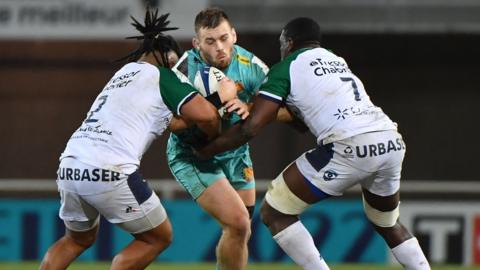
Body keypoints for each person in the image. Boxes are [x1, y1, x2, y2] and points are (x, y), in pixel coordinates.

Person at [197, 17, 431, 270]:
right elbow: (301, 121)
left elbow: (252, 127)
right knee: (387, 222)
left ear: (288, 43)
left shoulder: (286, 66)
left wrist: (207, 150)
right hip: (390, 140)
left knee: (274, 211)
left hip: (350, 145)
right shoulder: (335, 58)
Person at [39, 8, 237, 270]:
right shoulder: (163, 75)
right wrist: (215, 121)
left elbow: (172, 122)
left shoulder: (122, 75)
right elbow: (207, 117)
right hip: (111, 169)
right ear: (167, 58)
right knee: (157, 237)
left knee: (76, 239)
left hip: (70, 165)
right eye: (175, 63)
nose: (178, 70)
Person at [166, 7, 269, 270]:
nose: (219, 47)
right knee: (237, 224)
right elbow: (172, 123)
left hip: (236, 154)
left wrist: (252, 109)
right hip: (193, 155)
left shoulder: (252, 67)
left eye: (224, 38)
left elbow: (272, 105)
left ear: (234, 35)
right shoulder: (183, 71)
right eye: (210, 41)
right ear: (196, 43)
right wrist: (214, 104)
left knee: (242, 229)